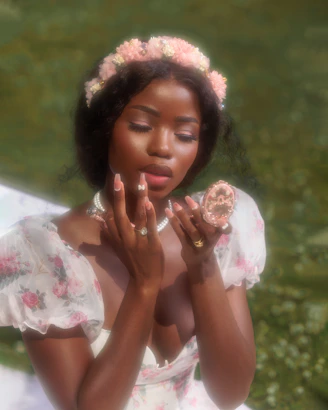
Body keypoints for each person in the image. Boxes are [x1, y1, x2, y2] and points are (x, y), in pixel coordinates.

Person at [0, 36, 266, 409]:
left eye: (185, 135)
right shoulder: (44, 257)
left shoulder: (217, 227)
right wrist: (144, 285)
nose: (163, 148)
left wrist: (203, 265)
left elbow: (231, 394)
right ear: (104, 130)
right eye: (141, 126)